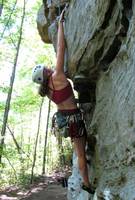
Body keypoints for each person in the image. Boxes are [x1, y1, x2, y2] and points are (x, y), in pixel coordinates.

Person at [32, 8, 95, 194]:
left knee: (79, 149)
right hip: (74, 119)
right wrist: (60, 24)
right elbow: (61, 48)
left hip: (66, 121)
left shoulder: (48, 91)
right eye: (45, 67)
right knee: (81, 153)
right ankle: (86, 183)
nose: (48, 66)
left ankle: (83, 169)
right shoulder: (58, 76)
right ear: (46, 73)